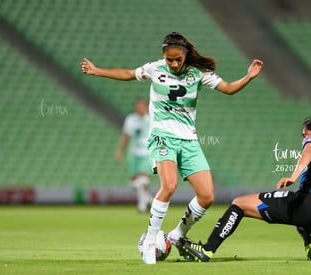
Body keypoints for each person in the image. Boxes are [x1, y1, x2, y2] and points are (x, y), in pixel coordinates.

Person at [80, 31, 263, 264]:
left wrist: (248, 77)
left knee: (206, 196)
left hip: (189, 141)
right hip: (162, 137)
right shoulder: (155, 68)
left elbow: (228, 88)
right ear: (164, 57)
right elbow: (127, 73)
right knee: (169, 185)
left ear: (185, 55)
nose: (174, 64)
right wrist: (97, 71)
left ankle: (177, 235)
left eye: (178, 59)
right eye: (170, 60)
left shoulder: (198, 73)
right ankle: (150, 241)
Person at [180, 115, 311, 262]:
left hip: (308, 206)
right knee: (298, 205)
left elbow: (307, 153)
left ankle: (207, 250)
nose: (304, 138)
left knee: (239, 204)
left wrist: (293, 176)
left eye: (306, 134)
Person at [115, 98, 152, 213]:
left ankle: (142, 207)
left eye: (142, 106)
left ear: (146, 107)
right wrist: (120, 150)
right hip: (134, 152)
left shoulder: (151, 119)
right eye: (138, 106)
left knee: (143, 179)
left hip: (147, 152)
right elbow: (126, 136)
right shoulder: (131, 119)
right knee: (133, 182)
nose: (140, 108)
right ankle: (149, 199)